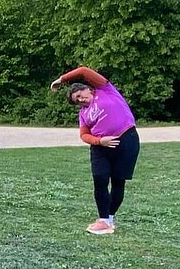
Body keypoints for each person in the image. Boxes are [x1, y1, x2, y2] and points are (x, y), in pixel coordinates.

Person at [51, 66, 139, 235]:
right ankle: (103, 220)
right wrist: (100, 141)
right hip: (100, 147)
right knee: (100, 179)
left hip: (126, 139)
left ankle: (110, 219)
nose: (81, 100)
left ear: (87, 89)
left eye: (79, 96)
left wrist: (61, 80)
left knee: (118, 181)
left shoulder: (105, 90)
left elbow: (84, 71)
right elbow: (84, 135)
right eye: (77, 101)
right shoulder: (83, 114)